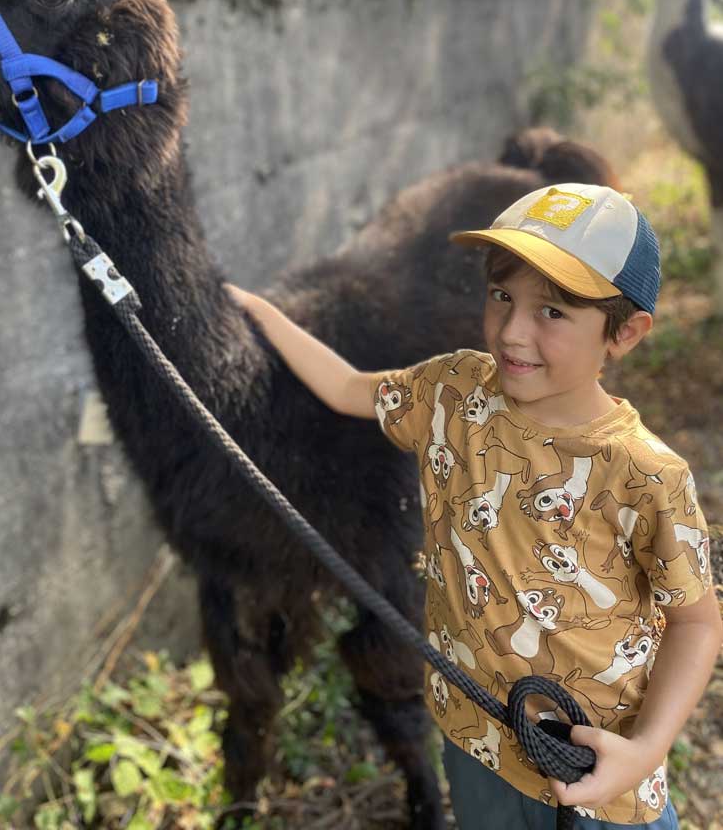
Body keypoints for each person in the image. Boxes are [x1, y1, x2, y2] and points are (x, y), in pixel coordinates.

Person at [228, 182, 721, 828]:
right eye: (501, 296)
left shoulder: (645, 474)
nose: (512, 331)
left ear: (624, 333)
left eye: (552, 312)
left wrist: (643, 751)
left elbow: (696, 623)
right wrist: (256, 314)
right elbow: (349, 387)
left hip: (593, 773)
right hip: (473, 738)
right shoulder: (452, 392)